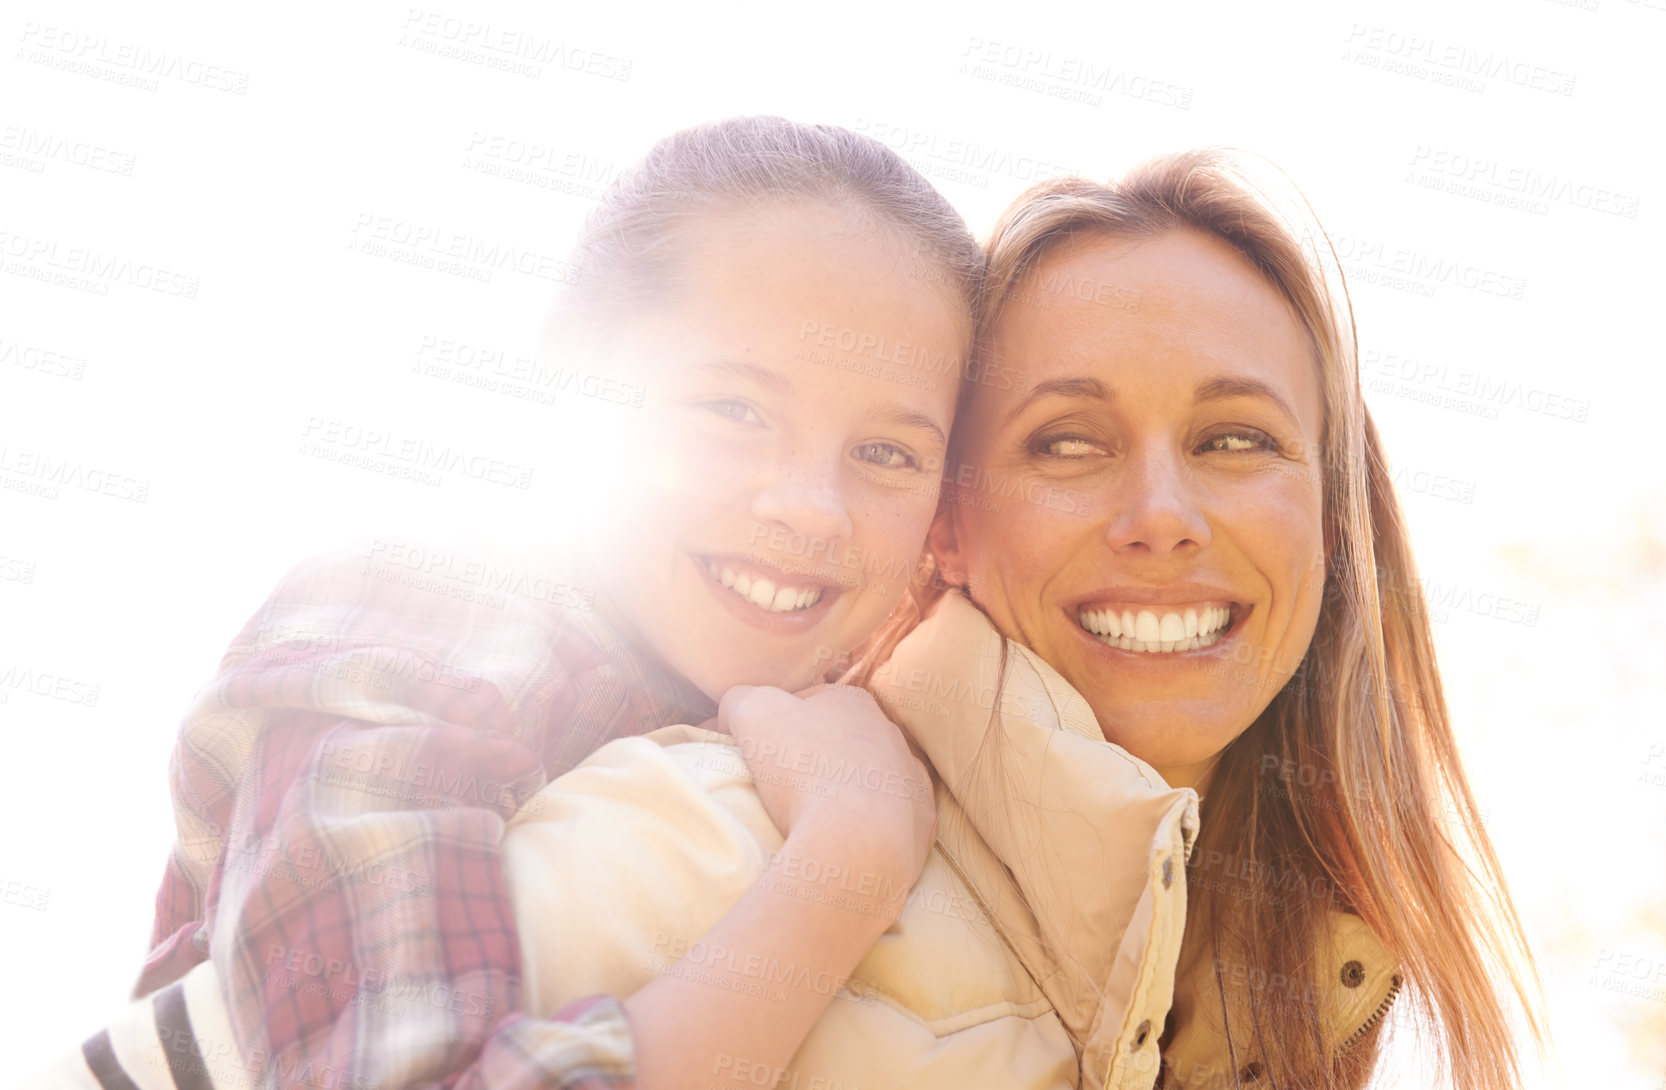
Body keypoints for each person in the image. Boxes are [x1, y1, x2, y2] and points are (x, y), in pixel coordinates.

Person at [32, 115, 980, 1090]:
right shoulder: (415, 631)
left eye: (886, 454)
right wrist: (846, 866)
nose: (809, 507)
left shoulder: (852, 726)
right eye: (733, 409)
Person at [840, 149, 1546, 1088]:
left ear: (1333, 525)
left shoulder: (1316, 1007)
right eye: (1069, 443)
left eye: (1235, 439)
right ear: (951, 525)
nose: (1162, 516)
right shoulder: (725, 852)